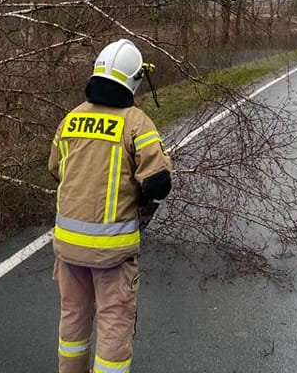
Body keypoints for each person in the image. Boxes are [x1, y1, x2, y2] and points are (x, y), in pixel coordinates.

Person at [48, 38, 174, 373]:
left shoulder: (71, 118)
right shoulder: (136, 122)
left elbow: (56, 170)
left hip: (68, 247)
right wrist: (141, 204)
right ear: (134, 79)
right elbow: (159, 183)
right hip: (112, 253)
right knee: (114, 321)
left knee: (73, 316)